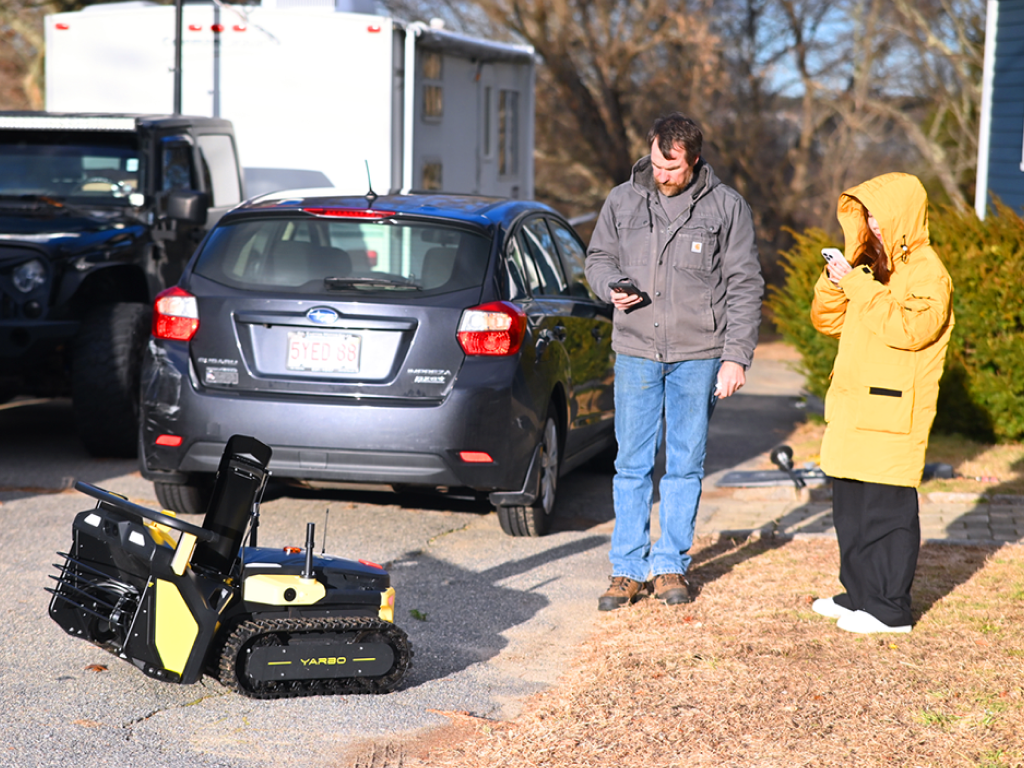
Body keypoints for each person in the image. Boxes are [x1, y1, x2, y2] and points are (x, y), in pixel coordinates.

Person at [584, 113, 764, 611]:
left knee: (684, 465)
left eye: (673, 168)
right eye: (658, 165)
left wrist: (737, 357)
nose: (663, 176)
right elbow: (597, 258)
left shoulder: (727, 207)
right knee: (631, 465)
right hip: (637, 351)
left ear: (695, 159)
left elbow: (745, 284)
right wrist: (609, 286)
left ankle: (669, 566)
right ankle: (627, 569)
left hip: (699, 356)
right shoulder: (622, 200)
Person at [810, 172, 954, 634]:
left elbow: (908, 329)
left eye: (878, 215)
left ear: (903, 214)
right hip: (855, 405)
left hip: (893, 409)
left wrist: (858, 285)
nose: (871, 225)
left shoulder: (928, 271)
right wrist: (839, 280)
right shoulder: (871, 265)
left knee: (887, 512)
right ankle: (860, 594)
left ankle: (890, 610)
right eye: (865, 216)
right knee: (851, 508)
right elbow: (828, 323)